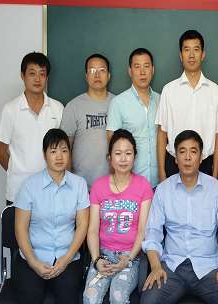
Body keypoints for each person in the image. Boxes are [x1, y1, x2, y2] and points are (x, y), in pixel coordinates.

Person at [141, 130, 218, 304]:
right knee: (149, 300)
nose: (188, 157)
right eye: (182, 151)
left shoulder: (216, 189)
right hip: (172, 268)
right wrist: (156, 266)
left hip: (209, 268)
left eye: (193, 151)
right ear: (176, 158)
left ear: (201, 157)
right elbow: (153, 231)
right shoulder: (163, 190)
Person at [13, 128, 90, 304]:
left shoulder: (79, 185)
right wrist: (33, 262)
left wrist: (66, 259)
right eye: (53, 151)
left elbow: (83, 225)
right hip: (34, 255)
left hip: (67, 256)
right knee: (29, 295)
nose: (59, 156)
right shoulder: (29, 186)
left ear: (70, 154)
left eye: (64, 150)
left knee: (68, 295)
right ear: (44, 154)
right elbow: (20, 228)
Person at [83, 129, 153, 304]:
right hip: (103, 256)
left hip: (130, 256)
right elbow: (92, 230)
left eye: (128, 153)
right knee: (90, 297)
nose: (123, 159)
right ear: (110, 157)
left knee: (118, 297)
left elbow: (142, 230)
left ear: (134, 157)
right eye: (118, 153)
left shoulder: (143, 186)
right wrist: (96, 260)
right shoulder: (98, 186)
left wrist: (128, 259)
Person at [0, 52, 64, 204]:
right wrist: (18, 171)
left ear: (47, 77)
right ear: (23, 76)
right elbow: (0, 152)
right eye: (32, 73)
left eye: (42, 74)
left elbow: (64, 149)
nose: (37, 79)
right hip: (18, 191)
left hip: (51, 190)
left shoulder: (58, 108)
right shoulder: (10, 110)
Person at [155, 30, 218, 180]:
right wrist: (161, 172)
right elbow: (162, 133)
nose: (191, 55)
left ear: (203, 54)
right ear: (181, 56)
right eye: (187, 50)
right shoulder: (169, 90)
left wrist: (215, 173)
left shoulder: (215, 91)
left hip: (205, 164)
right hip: (174, 164)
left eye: (196, 49)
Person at [60, 53, 116, 187]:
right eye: (92, 70)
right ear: (86, 76)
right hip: (81, 186)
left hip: (113, 185)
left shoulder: (118, 104)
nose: (97, 75)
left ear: (109, 75)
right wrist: (69, 183)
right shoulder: (74, 106)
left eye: (102, 70)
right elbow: (65, 147)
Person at [107, 48, 160, 187]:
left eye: (146, 66)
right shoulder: (118, 103)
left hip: (159, 181)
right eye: (137, 67)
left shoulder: (161, 100)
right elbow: (112, 143)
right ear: (130, 71)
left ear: (153, 70)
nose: (142, 72)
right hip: (130, 183)